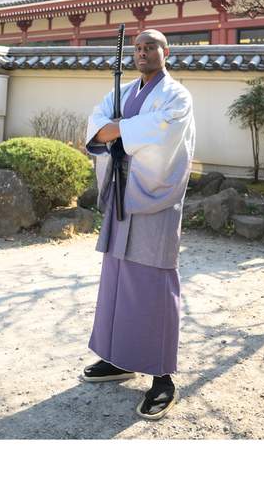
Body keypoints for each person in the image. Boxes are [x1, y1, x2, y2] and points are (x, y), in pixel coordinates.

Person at [80, 29, 195, 420]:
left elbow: (160, 133)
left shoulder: (177, 96)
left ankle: (162, 378)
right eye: (138, 47)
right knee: (117, 278)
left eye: (151, 47)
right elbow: (96, 123)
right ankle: (118, 358)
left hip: (153, 196)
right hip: (122, 192)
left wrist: (119, 131)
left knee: (153, 282)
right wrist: (120, 131)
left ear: (167, 51)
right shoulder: (125, 91)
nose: (143, 52)